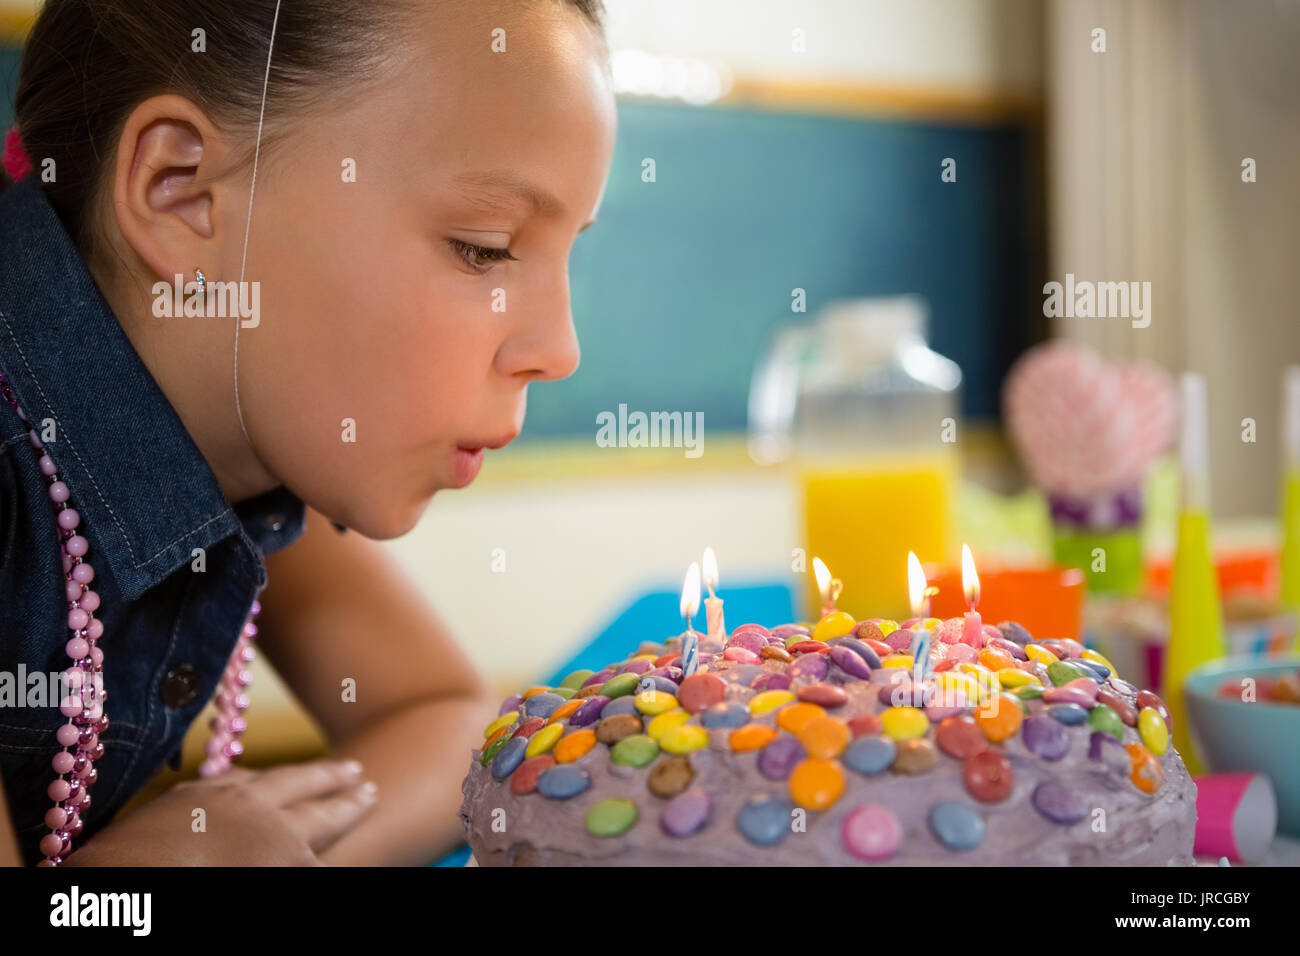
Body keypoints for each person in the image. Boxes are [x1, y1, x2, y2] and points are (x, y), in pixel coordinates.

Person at [0, 0, 615, 865]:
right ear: (180, 192)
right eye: (485, 248)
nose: (560, 350)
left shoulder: (244, 431)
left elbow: (446, 718)